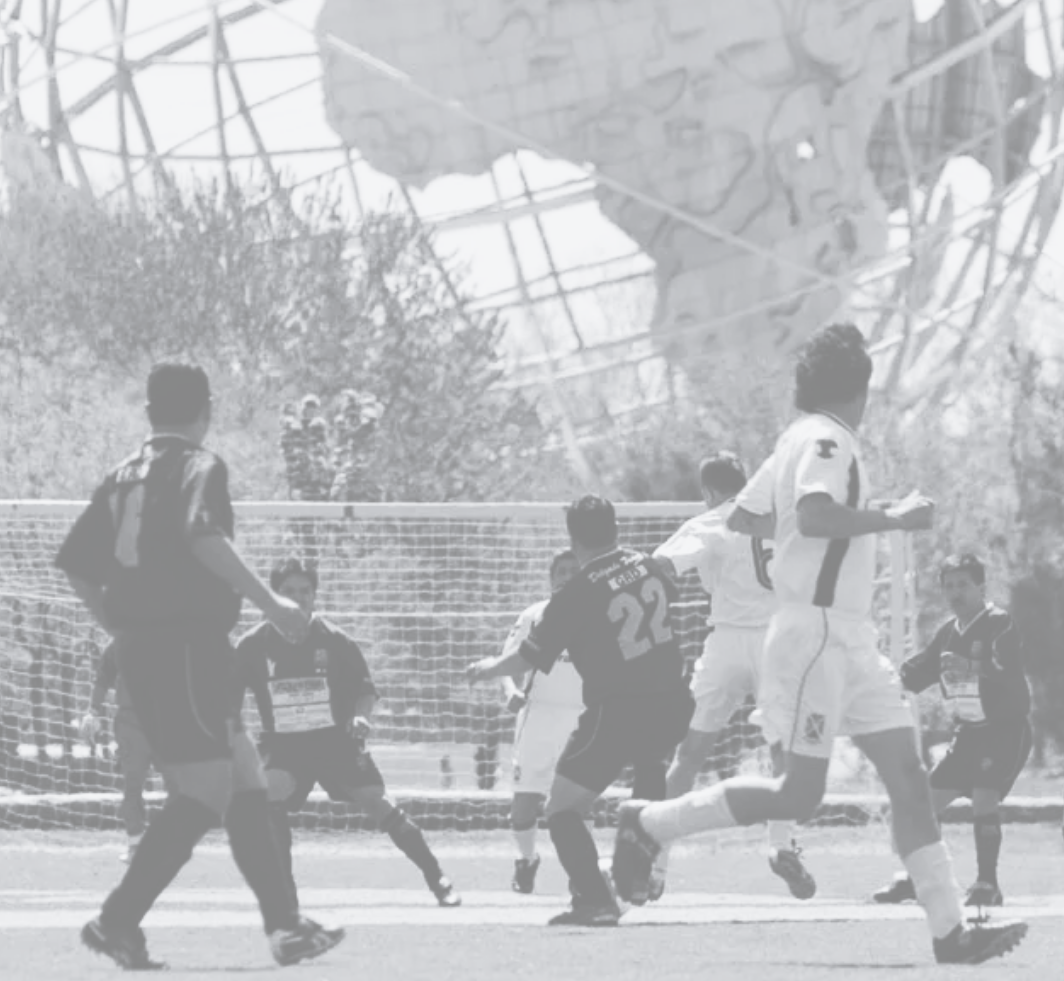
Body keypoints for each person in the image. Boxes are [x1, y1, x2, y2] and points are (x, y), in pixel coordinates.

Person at [610, 323, 1029, 964]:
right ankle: (649, 822)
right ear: (860, 386)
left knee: (910, 779)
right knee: (798, 794)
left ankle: (951, 934)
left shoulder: (794, 442)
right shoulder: (831, 440)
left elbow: (748, 516)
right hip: (813, 637)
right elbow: (810, 515)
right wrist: (894, 517)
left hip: (850, 638)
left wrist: (778, 522)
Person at [54, 362, 344, 971]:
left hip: (158, 648)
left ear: (148, 411)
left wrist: (122, 629)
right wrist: (272, 602)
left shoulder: (119, 475)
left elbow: (78, 564)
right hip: (184, 647)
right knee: (207, 792)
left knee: (247, 784)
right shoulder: (198, 466)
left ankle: (286, 928)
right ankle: (116, 920)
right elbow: (201, 536)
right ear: (206, 408)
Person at [468, 495, 694, 927]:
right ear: (615, 526)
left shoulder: (578, 591)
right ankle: (638, 873)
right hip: (671, 700)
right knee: (649, 775)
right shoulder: (648, 564)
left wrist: (489, 668)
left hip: (620, 708)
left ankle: (594, 899)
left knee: (561, 810)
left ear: (572, 537)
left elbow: (530, 656)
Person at [234, 557, 461, 908]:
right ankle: (286, 897)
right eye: (288, 591)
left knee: (378, 802)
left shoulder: (336, 640)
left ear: (315, 595)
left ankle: (437, 878)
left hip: (334, 743)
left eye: (305, 591)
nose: (297, 598)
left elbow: (364, 689)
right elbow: (228, 698)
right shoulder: (252, 645)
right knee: (269, 796)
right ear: (274, 596)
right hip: (284, 747)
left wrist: (361, 717)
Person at [648, 451, 814, 902]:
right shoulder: (776, 516)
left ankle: (656, 863)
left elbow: (662, 565)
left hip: (725, 643)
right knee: (784, 750)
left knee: (690, 755)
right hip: (777, 642)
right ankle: (781, 844)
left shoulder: (713, 520)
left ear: (708, 491)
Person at [873, 553, 1032, 908]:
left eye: (963, 584)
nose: (955, 592)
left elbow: (1008, 671)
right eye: (949, 586)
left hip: (1004, 730)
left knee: (983, 796)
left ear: (980, 587)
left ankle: (987, 885)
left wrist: (971, 664)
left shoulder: (999, 622)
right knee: (921, 807)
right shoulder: (948, 632)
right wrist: (879, 679)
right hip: (970, 735)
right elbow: (918, 673)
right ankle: (920, 880)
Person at [498, 549, 583, 894]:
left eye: (573, 571)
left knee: (577, 803)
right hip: (537, 717)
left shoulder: (599, 616)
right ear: (551, 578)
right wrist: (509, 691)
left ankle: (581, 874)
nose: (566, 576)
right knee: (524, 804)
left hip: (581, 717)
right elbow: (506, 661)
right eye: (560, 571)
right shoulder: (534, 616)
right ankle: (527, 859)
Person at [79, 640, 171, 863]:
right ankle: (136, 845)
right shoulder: (119, 644)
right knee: (132, 786)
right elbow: (102, 678)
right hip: (130, 724)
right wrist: (93, 711)